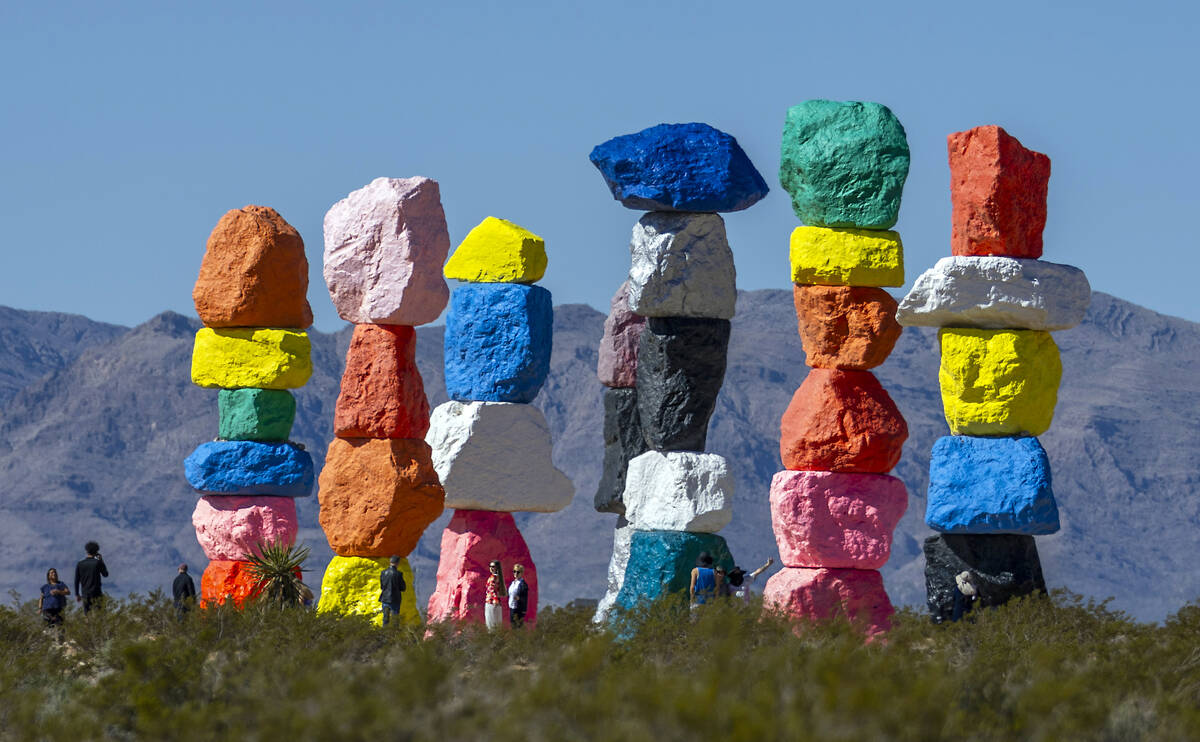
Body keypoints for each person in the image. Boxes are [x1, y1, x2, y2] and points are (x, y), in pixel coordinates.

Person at [74, 541, 108, 614]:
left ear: (87, 551)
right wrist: (101, 560)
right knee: (100, 614)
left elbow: (76, 580)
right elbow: (105, 574)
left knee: (87, 615)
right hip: (97, 593)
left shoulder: (80, 564)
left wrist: (77, 594)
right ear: (96, 552)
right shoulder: (98, 563)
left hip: (85, 593)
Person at [379, 556, 407, 626]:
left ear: (390, 562)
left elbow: (382, 586)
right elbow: (403, 588)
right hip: (395, 599)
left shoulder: (383, 573)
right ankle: (394, 635)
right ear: (397, 563)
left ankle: (384, 635)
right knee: (395, 619)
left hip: (385, 599)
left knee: (385, 619)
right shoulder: (399, 574)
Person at [484, 559, 504, 631]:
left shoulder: (494, 577)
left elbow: (493, 590)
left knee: (491, 624)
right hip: (494, 602)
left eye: (493, 567)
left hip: (492, 602)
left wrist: (495, 600)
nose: (491, 568)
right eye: (490, 566)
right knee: (496, 624)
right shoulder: (496, 577)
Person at [508, 564, 529, 629]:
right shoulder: (512, 583)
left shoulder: (523, 584)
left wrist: (519, 599)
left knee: (517, 627)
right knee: (513, 627)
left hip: (518, 609)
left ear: (521, 573)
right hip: (512, 608)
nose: (516, 573)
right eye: (514, 571)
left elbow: (525, 598)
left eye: (518, 572)